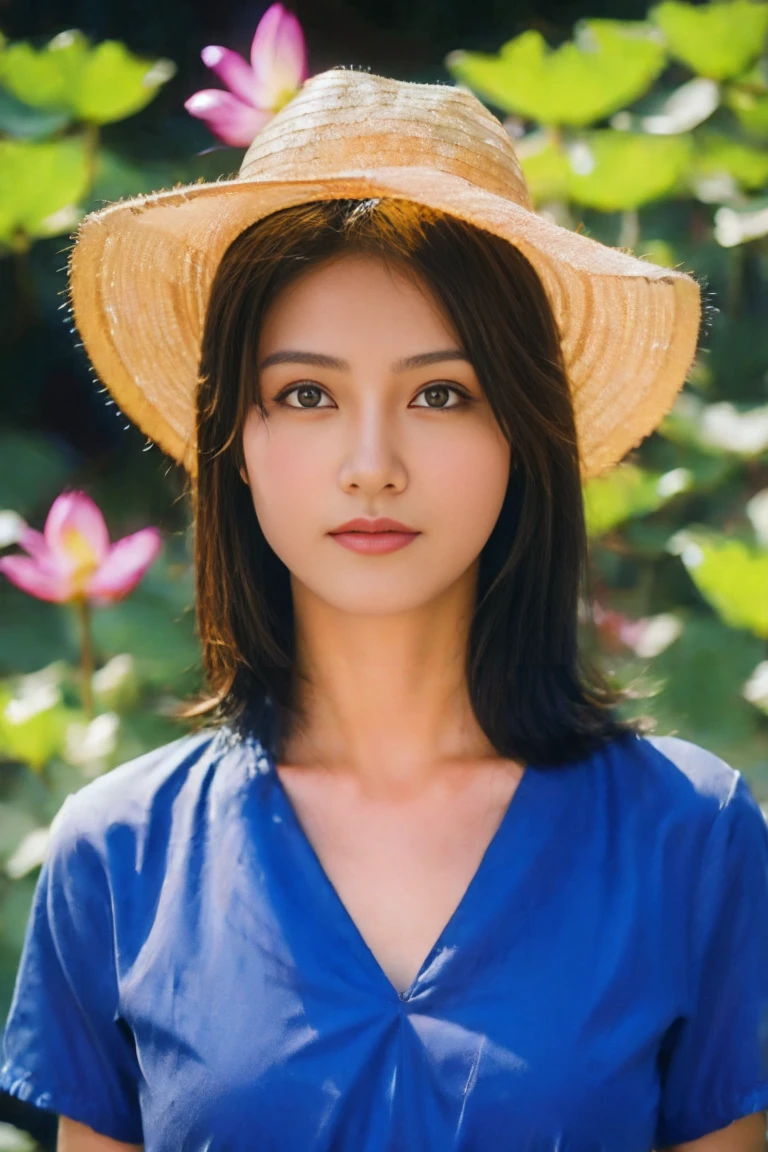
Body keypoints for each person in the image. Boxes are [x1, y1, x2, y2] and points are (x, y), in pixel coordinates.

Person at [1, 68, 767, 1152]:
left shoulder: (694, 838)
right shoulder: (120, 857)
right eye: (306, 395)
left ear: (522, 437)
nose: (372, 466)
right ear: (241, 444)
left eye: (440, 394)